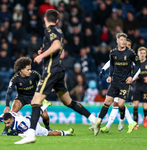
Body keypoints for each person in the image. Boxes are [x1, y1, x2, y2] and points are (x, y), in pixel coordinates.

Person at [15, 9, 97, 144]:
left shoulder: (50, 30)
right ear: (57, 20)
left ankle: (31, 134)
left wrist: (41, 55)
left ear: (45, 19)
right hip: (59, 69)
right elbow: (62, 53)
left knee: (36, 101)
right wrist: (45, 51)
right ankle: (94, 120)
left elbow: (57, 45)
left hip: (51, 70)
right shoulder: (59, 31)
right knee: (68, 102)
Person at [93, 33, 141, 136]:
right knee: (108, 102)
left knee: (120, 104)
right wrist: (109, 75)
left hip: (125, 83)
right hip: (115, 81)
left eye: (125, 40)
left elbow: (138, 66)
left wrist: (131, 77)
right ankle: (98, 122)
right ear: (117, 41)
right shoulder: (113, 53)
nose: (123, 41)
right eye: (122, 40)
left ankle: (122, 120)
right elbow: (112, 64)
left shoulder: (130, 53)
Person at [1, 57, 52, 135]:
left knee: (45, 115)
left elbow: (43, 81)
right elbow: (8, 92)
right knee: (11, 112)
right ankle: (5, 130)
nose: (30, 71)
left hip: (34, 97)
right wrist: (7, 105)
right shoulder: (15, 78)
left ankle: (48, 128)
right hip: (21, 97)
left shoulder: (34, 74)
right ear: (21, 70)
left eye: (30, 69)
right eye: (28, 70)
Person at [0, 112, 74, 138]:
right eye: (5, 123)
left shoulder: (20, 123)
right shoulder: (4, 116)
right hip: (27, 120)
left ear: (12, 119)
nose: (7, 125)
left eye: (8, 123)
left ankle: (67, 132)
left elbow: (29, 134)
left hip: (33, 126)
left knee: (48, 134)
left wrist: (16, 134)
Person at [132, 46, 147, 130]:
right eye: (141, 53)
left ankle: (145, 117)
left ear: (146, 54)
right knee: (135, 106)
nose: (142, 55)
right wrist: (134, 77)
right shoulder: (135, 63)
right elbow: (130, 73)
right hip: (137, 86)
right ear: (138, 54)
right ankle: (135, 123)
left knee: (145, 107)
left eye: (144, 53)